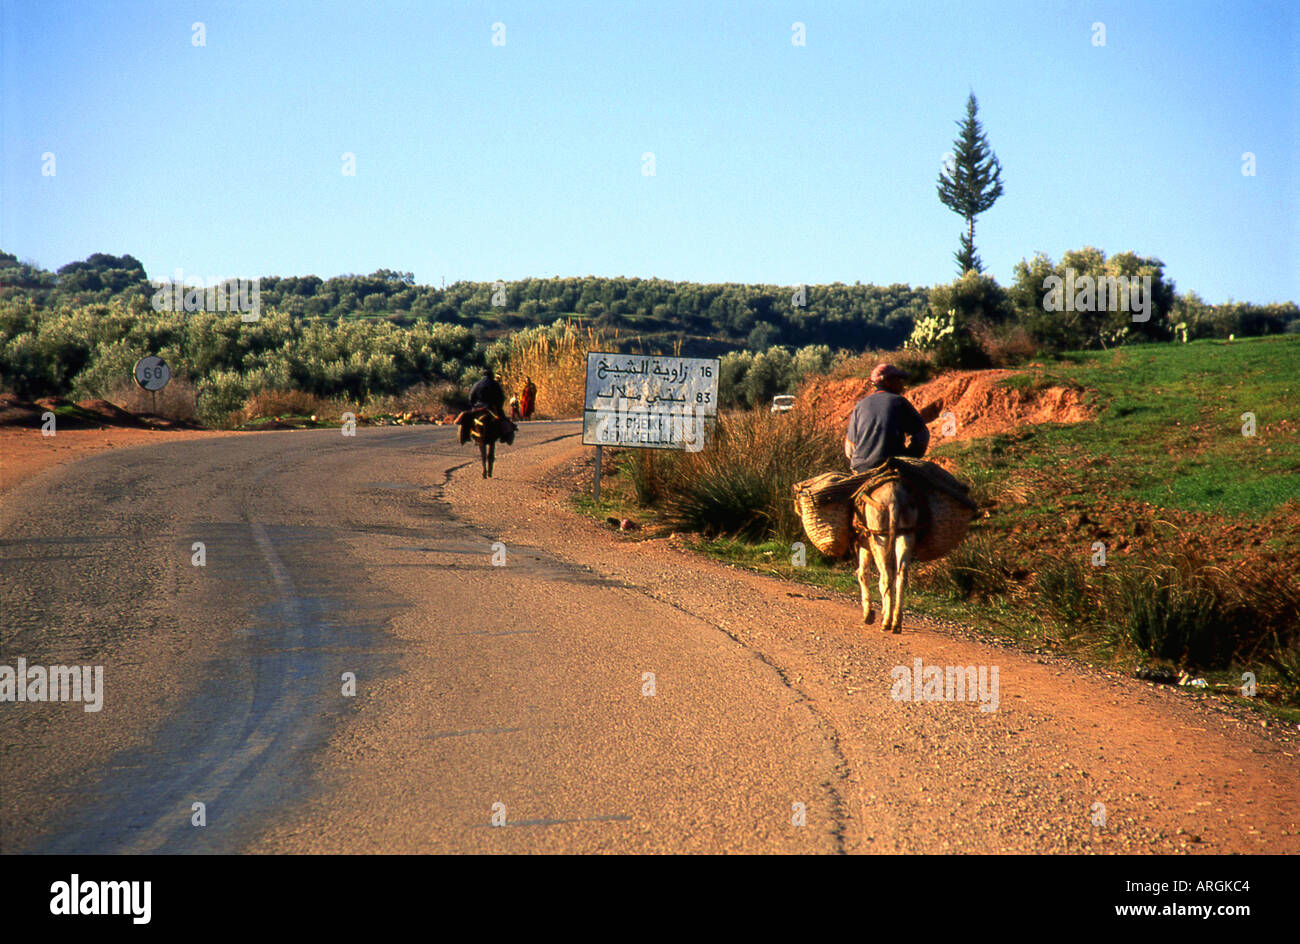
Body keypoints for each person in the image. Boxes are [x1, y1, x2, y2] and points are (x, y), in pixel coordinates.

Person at [844, 363, 930, 473]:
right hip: (892, 466)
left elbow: (850, 449)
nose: (901, 384)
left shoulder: (860, 405)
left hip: (861, 469)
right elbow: (922, 435)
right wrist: (910, 456)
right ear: (887, 382)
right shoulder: (899, 402)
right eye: (898, 380)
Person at [458, 367, 508, 444]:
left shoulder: (476, 384)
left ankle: (466, 435)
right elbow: (501, 397)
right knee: (503, 419)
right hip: (491, 408)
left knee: (467, 420)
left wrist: (473, 405)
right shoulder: (495, 384)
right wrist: (499, 407)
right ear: (491, 375)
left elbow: (471, 397)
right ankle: (504, 436)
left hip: (478, 408)